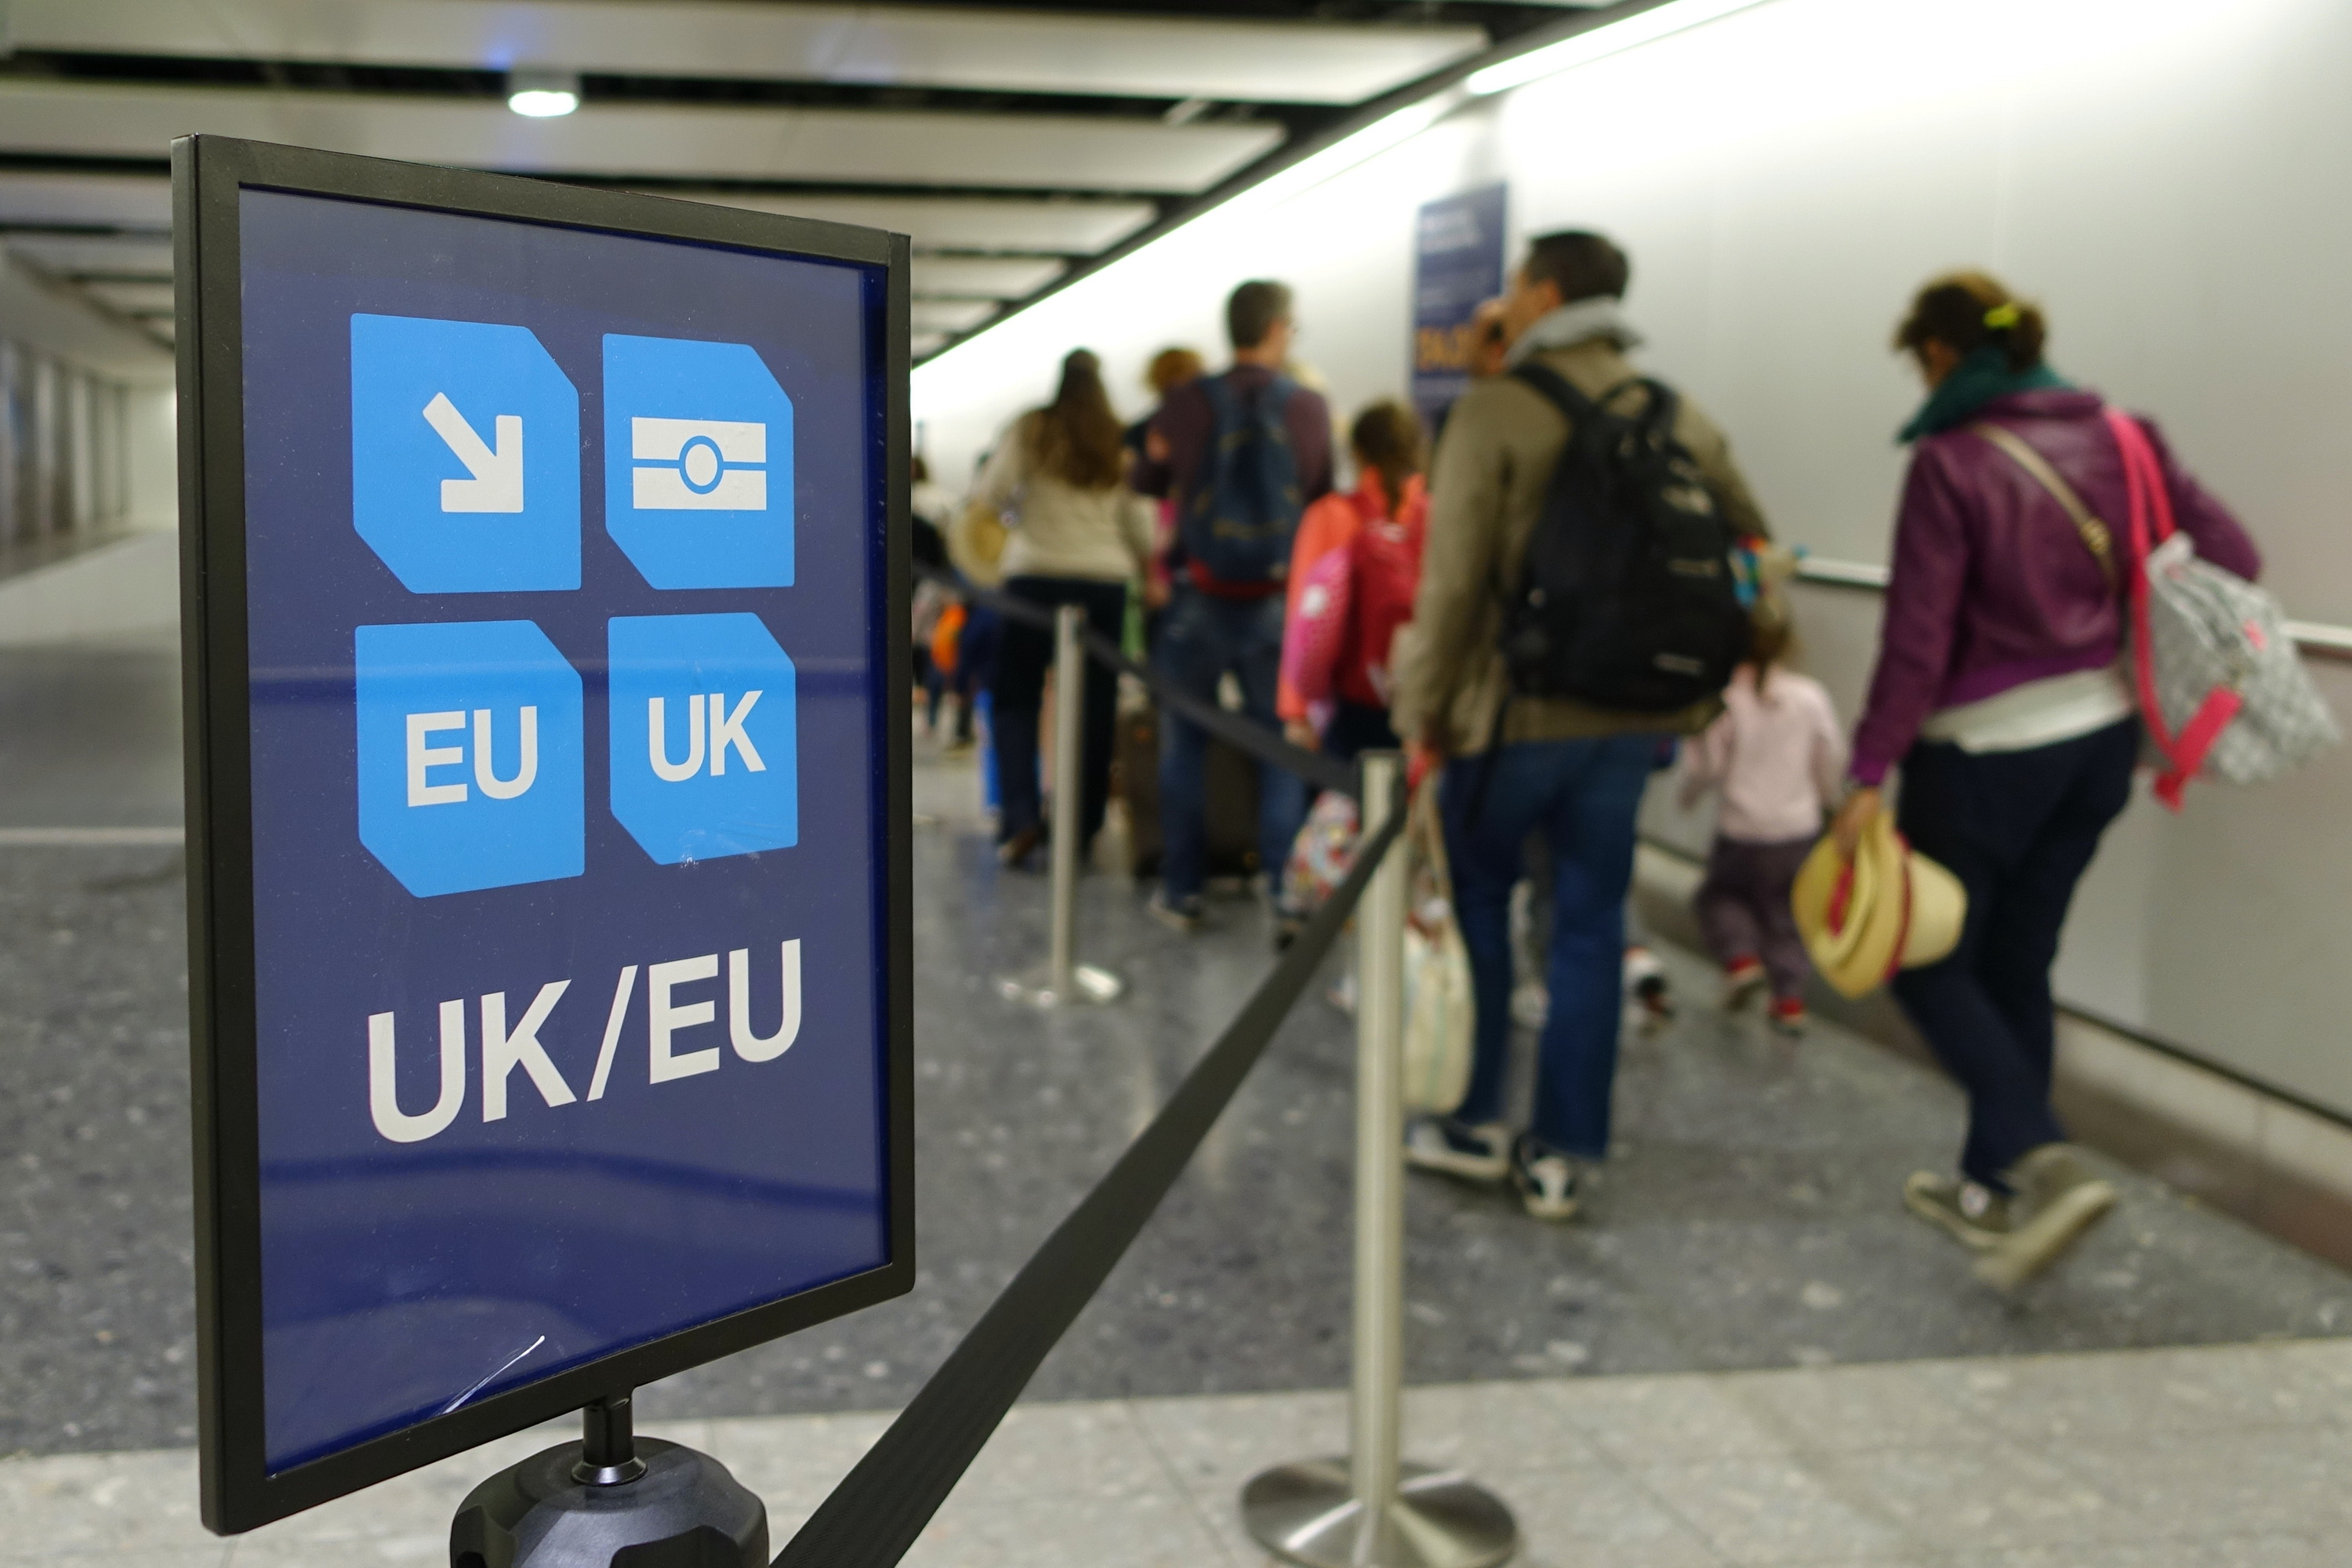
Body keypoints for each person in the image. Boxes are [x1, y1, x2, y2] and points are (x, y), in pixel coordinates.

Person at [1831, 271, 2261, 1286]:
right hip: (2102, 742)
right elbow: (2234, 551)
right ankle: (1991, 1192)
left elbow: (1919, 637)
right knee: (2019, 962)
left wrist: (1867, 769)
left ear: (1938, 356)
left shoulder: (1949, 463)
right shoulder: (2122, 436)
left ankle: (2043, 1157)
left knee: (1929, 963)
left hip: (1985, 753)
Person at [1392, 230, 1769, 1222]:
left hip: (1509, 717)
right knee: (1591, 926)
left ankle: (1471, 1118)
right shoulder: (1679, 413)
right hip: (1632, 719)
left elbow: (1452, 584)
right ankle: (1562, 1152)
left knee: (1480, 903)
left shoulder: (1494, 410)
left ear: (1544, 292)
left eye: (1515, 286)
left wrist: (1416, 712)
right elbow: (1758, 547)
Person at [1134, 281, 1334, 934]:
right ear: (1278, 328)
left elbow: (1146, 482)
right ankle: (1281, 887)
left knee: (1183, 745)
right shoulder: (1306, 406)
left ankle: (1185, 888)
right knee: (1277, 746)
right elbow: (1321, 494)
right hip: (1275, 600)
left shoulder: (1187, 402)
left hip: (1198, 594)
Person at [971, 350, 1156, 869]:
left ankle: (1022, 816)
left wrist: (1022, 513)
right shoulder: (1119, 439)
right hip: (1103, 583)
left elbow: (992, 492)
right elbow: (1142, 528)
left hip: (1034, 578)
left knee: (1015, 700)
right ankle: (1081, 828)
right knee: (1095, 711)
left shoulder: (1033, 428)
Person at [1677, 610, 1845, 1035]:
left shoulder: (1727, 699)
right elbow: (1830, 757)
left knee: (1721, 898)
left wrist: (1689, 796)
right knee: (1788, 912)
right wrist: (1831, 802)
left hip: (1742, 829)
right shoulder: (1810, 696)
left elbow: (1707, 764)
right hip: (1797, 830)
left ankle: (1741, 960)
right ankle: (1789, 1000)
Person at [1277, 398, 1428, 763]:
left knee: (1349, 812)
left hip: (1354, 703)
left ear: (1357, 453)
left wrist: (1296, 709)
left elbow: (1305, 617)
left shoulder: (1331, 515)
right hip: (1427, 702)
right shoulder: (1436, 515)